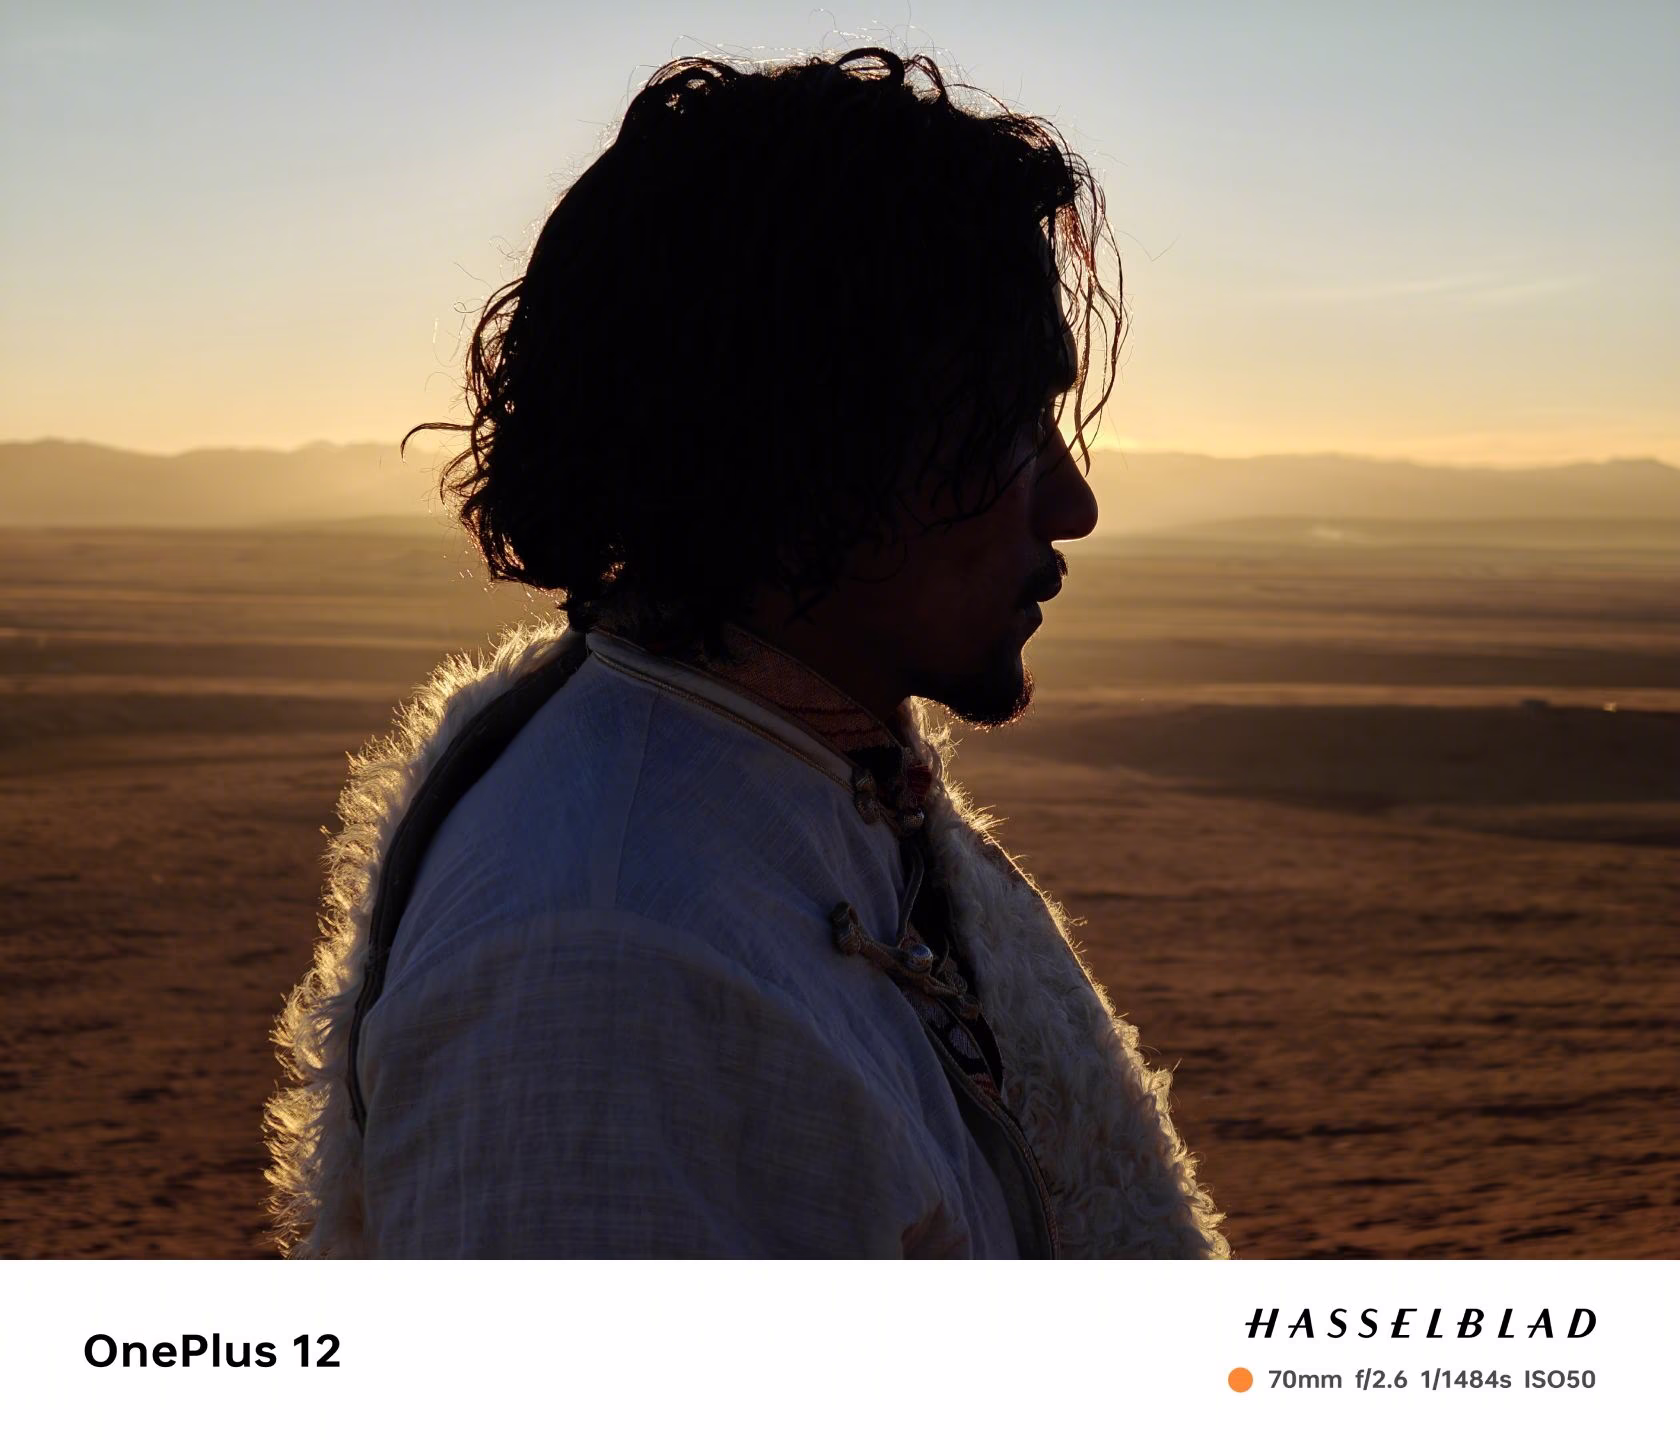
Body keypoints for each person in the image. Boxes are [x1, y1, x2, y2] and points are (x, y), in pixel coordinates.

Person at [265, 47, 1227, 1258]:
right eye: (1008, 430)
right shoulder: (607, 974)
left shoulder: (799, 789)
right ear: (814, 446)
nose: (1074, 505)